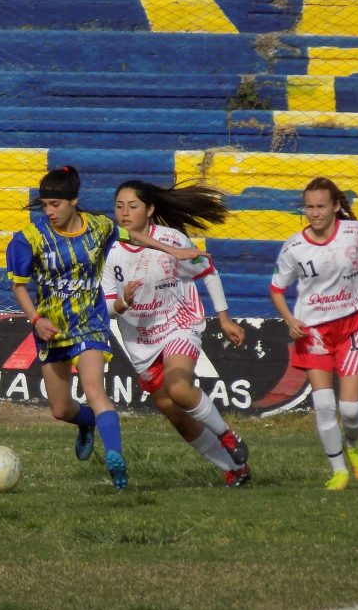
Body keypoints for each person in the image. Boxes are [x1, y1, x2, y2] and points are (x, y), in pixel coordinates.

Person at [6, 165, 207, 491]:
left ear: (74, 201)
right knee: (60, 409)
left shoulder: (99, 227)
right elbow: (18, 287)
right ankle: (86, 422)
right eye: (45, 205)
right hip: (51, 328)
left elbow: (134, 236)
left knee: (94, 389)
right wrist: (36, 320)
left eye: (55, 204)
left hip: (90, 323)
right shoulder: (29, 239)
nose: (49, 211)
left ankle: (116, 459)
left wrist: (173, 250)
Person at [103, 179, 251, 487]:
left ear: (150, 210)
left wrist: (224, 319)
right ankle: (234, 469)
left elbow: (207, 271)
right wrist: (123, 301)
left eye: (133, 206)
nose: (125, 212)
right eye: (119, 206)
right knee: (172, 410)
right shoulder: (110, 250)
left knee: (179, 389)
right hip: (140, 341)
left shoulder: (172, 239)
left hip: (178, 325)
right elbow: (107, 307)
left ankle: (227, 435)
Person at [269, 176, 358, 491]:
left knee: (350, 410)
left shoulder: (357, 234)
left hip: (352, 325)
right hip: (313, 331)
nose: (314, 213)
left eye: (321, 206)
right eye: (309, 207)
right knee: (324, 405)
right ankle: (339, 471)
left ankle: (354, 447)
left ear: (335, 207)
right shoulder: (294, 247)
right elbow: (276, 289)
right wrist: (289, 319)